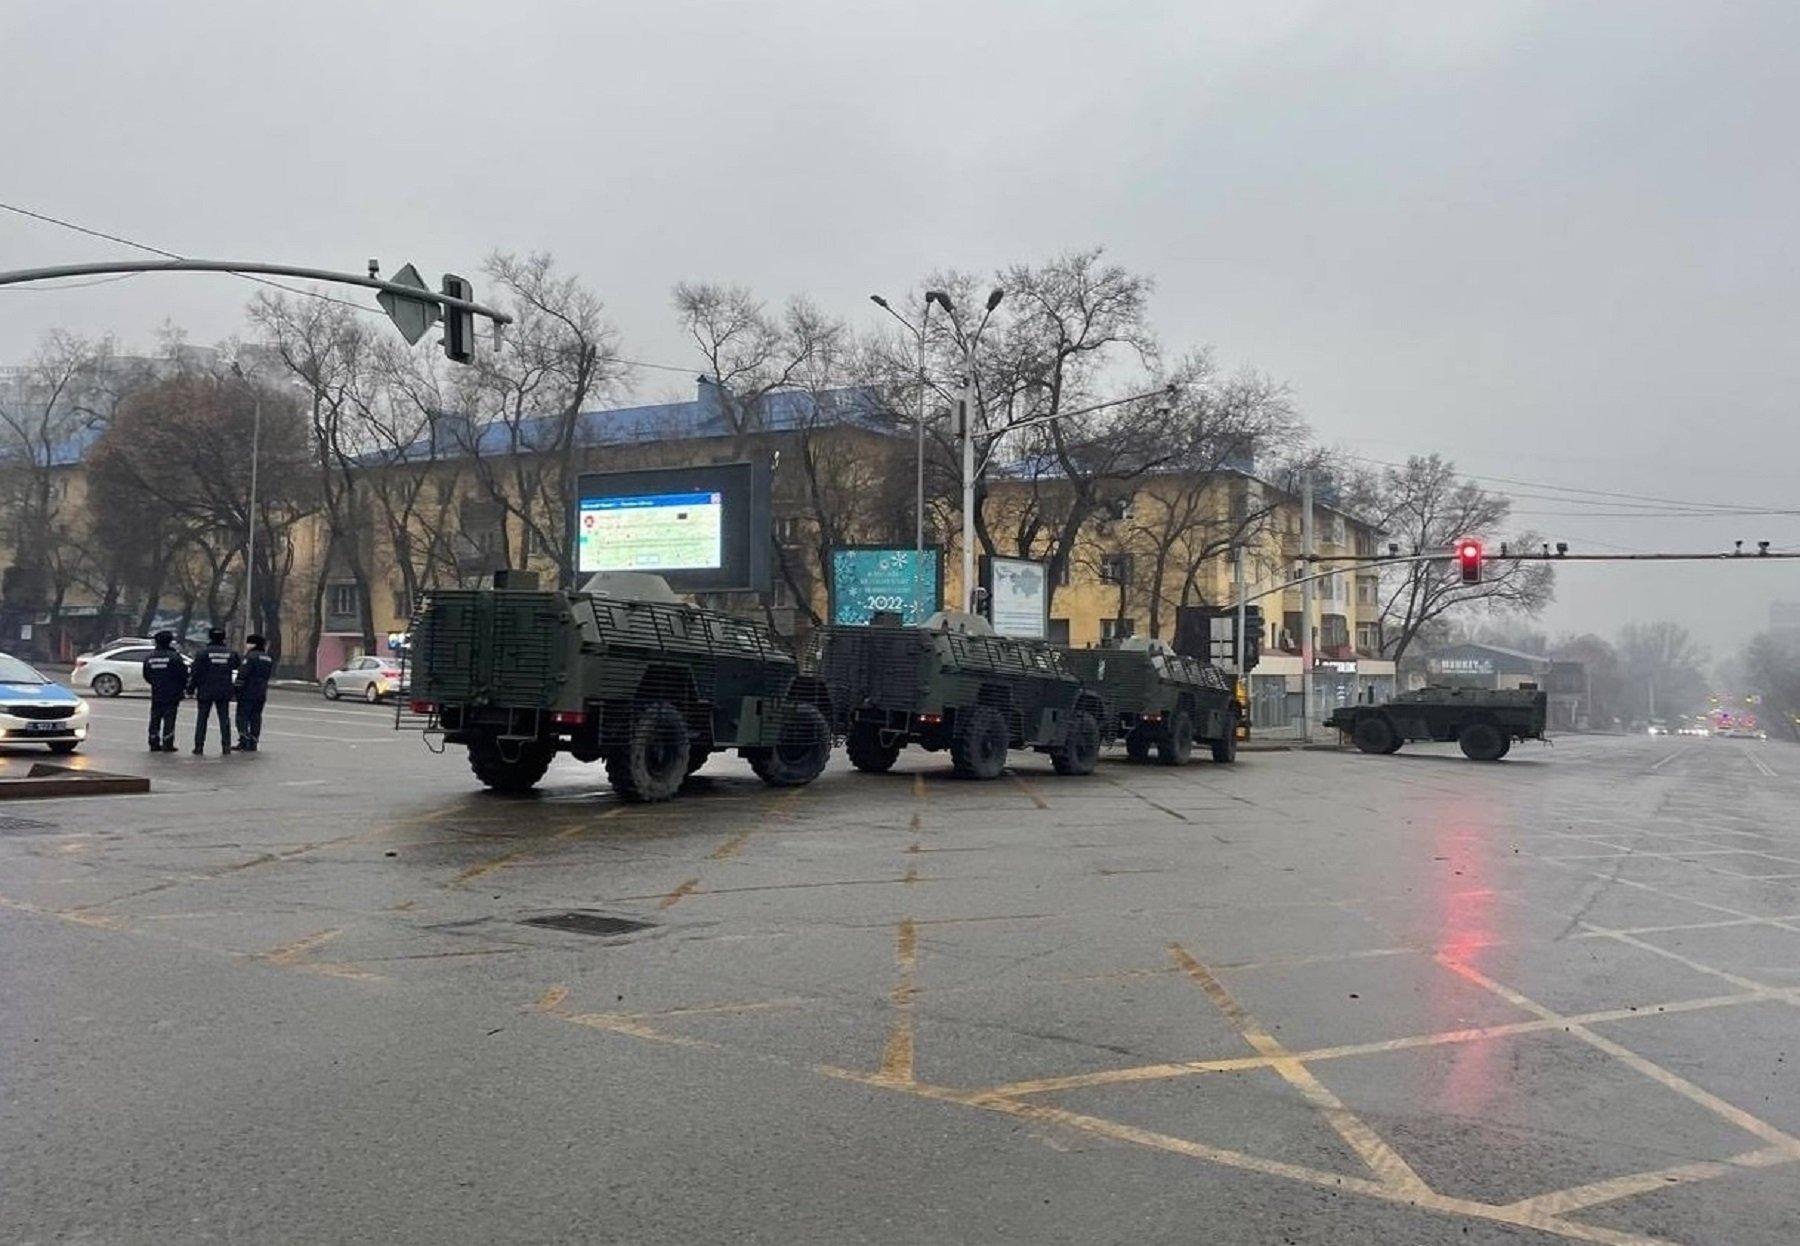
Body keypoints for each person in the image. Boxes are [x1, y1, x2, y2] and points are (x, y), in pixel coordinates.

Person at [188, 626, 240, 754]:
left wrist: (191, 687)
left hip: (205, 689)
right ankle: (226, 746)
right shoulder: (231, 653)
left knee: (202, 719)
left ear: (210, 637)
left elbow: (196, 672)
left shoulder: (203, 653)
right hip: (224, 689)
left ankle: (199, 746)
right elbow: (236, 665)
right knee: (224, 719)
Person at [141, 631, 189, 752]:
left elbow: (146, 674)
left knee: (155, 717)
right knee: (169, 718)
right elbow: (183, 674)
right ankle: (168, 743)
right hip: (172, 692)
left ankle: (153, 741)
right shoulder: (174, 657)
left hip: (157, 691)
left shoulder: (150, 657)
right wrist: (182, 688)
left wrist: (155, 683)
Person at [235, 634, 273, 751]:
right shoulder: (267, 658)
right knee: (256, 716)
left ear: (253, 644)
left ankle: (244, 740)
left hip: (248, 691)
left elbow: (243, 674)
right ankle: (254, 740)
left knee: (242, 716)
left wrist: (237, 688)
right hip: (261, 691)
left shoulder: (250, 657)